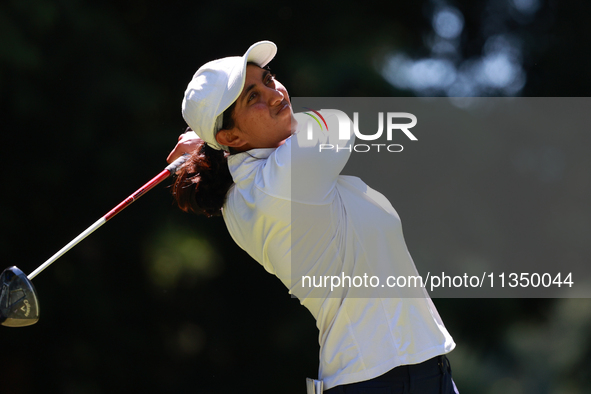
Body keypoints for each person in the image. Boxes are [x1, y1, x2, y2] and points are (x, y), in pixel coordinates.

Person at [167, 40, 459, 393]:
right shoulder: (288, 174)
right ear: (230, 134)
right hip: (387, 378)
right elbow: (335, 124)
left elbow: (247, 150)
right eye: (252, 97)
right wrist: (206, 142)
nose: (275, 95)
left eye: (268, 79)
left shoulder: (239, 198)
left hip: (402, 373)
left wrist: (210, 144)